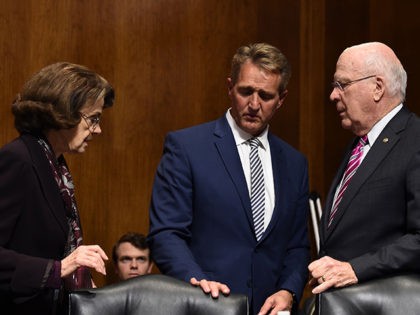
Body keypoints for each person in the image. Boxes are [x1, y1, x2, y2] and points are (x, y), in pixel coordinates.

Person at [148, 43, 310, 315]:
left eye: (266, 96)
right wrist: (197, 283)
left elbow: (297, 246)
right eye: (246, 91)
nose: (254, 104)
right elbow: (166, 233)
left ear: (281, 99)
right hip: (206, 306)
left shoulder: (295, 163)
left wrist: (289, 291)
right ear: (229, 87)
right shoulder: (187, 147)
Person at [0, 62, 114, 314]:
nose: (98, 130)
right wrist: (58, 269)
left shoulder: (54, 164)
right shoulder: (18, 159)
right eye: (93, 119)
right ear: (64, 112)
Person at [308, 42, 420, 296]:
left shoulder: (415, 140)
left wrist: (355, 269)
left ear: (377, 88)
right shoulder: (358, 144)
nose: (333, 95)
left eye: (342, 85)